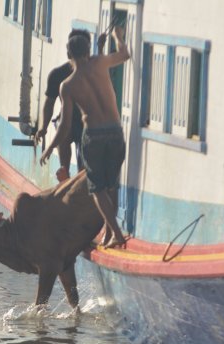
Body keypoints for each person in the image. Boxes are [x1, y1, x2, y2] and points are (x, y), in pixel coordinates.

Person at [39, 26, 129, 248]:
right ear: (89, 50)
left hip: (94, 136)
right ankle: (110, 233)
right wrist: (118, 37)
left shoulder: (67, 85)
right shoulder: (100, 63)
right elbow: (124, 55)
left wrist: (50, 147)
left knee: (97, 189)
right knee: (112, 186)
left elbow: (66, 126)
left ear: (69, 55)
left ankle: (115, 233)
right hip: (116, 131)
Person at [35, 30, 90, 182]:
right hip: (69, 120)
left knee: (83, 159)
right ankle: (64, 174)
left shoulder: (94, 72)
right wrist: (43, 127)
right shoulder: (58, 75)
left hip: (88, 124)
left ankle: (81, 179)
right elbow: (49, 103)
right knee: (63, 130)